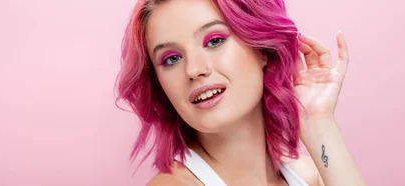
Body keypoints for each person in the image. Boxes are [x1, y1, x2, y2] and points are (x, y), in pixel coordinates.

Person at [115, 0, 367, 185]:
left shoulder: (308, 175)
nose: (193, 69)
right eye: (171, 59)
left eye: (214, 41)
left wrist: (317, 120)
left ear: (262, 49)